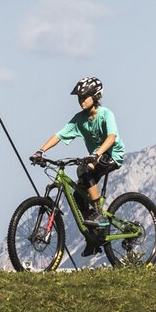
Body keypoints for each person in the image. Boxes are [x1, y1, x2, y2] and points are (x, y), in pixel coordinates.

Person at [31, 76, 125, 257]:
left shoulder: (106, 114)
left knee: (84, 169)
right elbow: (59, 135)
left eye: (84, 97)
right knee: (78, 196)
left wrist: (96, 154)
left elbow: (111, 137)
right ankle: (93, 238)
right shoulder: (79, 119)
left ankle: (99, 214)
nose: (81, 100)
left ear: (95, 97)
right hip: (95, 157)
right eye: (79, 98)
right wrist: (40, 151)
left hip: (112, 155)